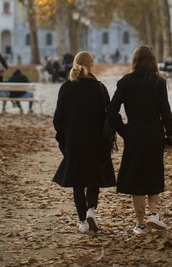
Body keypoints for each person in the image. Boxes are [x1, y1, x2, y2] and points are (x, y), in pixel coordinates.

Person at [106, 45, 172, 235]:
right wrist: (171, 134)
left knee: (136, 176)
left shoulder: (126, 82)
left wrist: (123, 130)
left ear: (135, 61)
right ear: (152, 61)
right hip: (154, 133)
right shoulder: (159, 82)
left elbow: (111, 110)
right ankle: (154, 213)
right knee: (154, 171)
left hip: (134, 133)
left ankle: (140, 224)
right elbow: (166, 112)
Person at [52, 51, 116, 234]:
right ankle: (91, 210)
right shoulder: (99, 88)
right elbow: (109, 117)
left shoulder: (66, 88)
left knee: (78, 182)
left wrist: (64, 140)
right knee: (93, 179)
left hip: (74, 142)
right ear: (91, 65)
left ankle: (83, 222)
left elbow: (58, 120)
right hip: (95, 142)